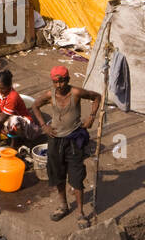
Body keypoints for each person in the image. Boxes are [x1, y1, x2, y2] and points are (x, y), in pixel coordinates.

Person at [31, 65, 103, 226]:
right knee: (57, 174)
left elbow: (97, 97)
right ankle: (63, 205)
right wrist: (44, 126)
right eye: (56, 82)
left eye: (62, 81)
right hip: (55, 140)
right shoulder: (50, 95)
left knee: (77, 176)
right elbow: (35, 106)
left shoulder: (76, 93)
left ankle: (80, 212)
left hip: (73, 140)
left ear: (68, 80)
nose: (59, 85)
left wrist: (92, 116)